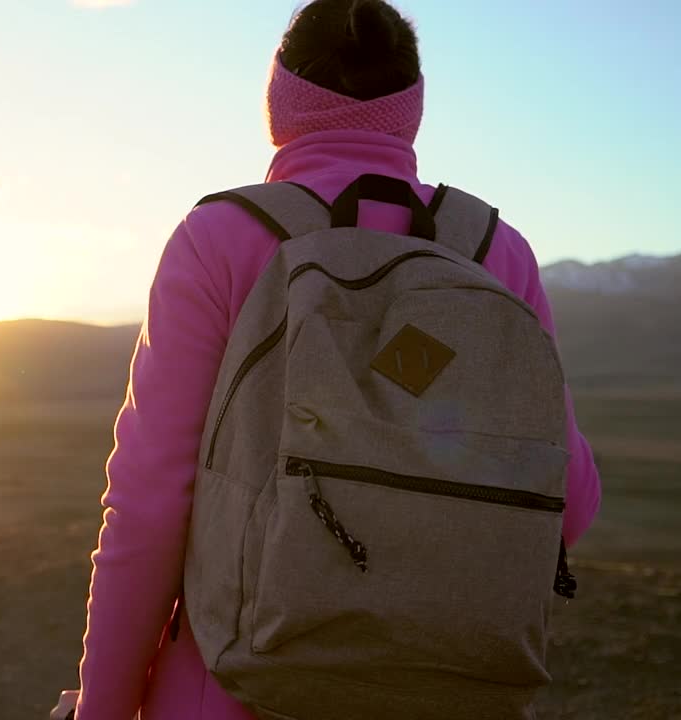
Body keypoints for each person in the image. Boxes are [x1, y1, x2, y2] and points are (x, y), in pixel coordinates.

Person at [54, 1, 602, 718]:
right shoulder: (494, 251)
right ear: (412, 108)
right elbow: (572, 500)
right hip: (447, 696)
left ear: (279, 98)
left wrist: (103, 709)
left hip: (233, 690)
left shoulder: (219, 237)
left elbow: (150, 505)